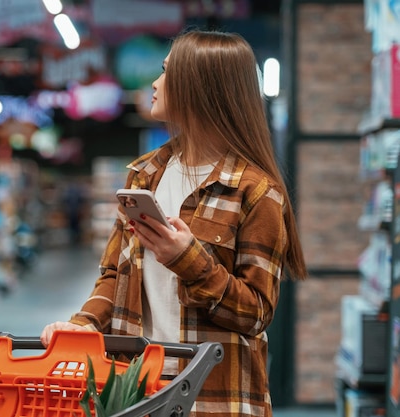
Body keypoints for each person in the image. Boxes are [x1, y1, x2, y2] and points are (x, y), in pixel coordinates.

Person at [40, 28, 307, 417]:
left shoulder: (256, 192)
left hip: (213, 400)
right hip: (136, 393)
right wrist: (83, 324)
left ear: (200, 87)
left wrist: (186, 259)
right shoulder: (144, 176)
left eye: (166, 72)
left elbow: (255, 314)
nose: (154, 82)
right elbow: (115, 275)